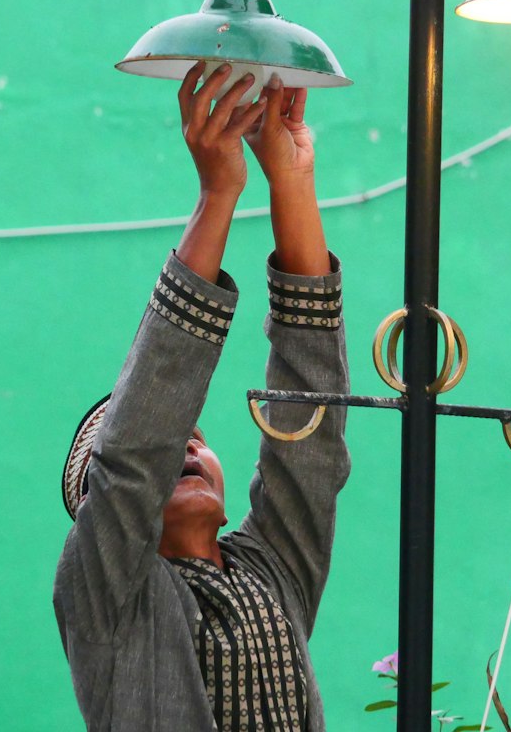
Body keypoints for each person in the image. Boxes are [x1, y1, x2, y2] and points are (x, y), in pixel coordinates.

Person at [53, 62, 350, 731]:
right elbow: (138, 447)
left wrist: (292, 181)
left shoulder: (272, 571)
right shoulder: (104, 595)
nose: (187, 443)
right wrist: (219, 191)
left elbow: (312, 440)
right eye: (171, 442)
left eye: (199, 439)